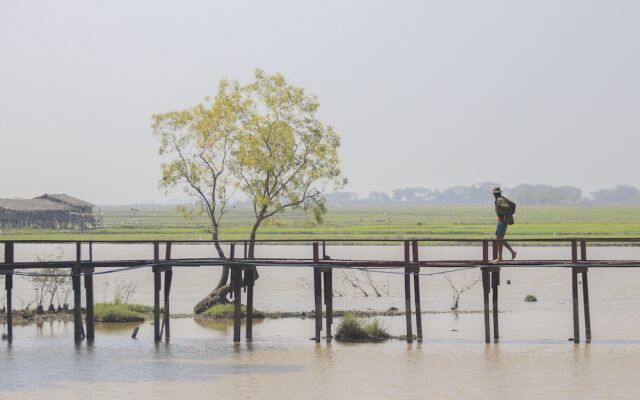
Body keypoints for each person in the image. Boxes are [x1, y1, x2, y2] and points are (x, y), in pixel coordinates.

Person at [491, 187, 516, 263]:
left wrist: (505, 216)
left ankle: (501, 258)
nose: (494, 195)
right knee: (499, 239)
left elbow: (507, 207)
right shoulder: (502, 198)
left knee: (499, 239)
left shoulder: (499, 199)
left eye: (495, 194)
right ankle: (510, 253)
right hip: (501, 221)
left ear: (496, 194)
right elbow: (513, 205)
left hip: (502, 221)